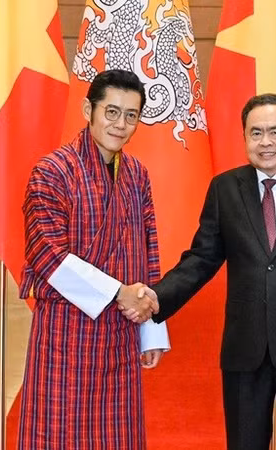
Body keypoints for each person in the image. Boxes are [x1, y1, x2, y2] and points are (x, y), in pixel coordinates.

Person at [141, 94, 276, 449]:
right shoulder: (226, 188)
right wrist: (155, 297)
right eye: (256, 133)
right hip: (245, 349)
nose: (266, 142)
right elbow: (201, 259)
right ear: (244, 138)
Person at [17, 69, 169, 449]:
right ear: (89, 108)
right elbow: (48, 254)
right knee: (59, 435)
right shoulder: (51, 171)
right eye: (112, 111)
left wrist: (151, 327)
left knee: (118, 436)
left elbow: (147, 248)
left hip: (122, 332)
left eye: (131, 115)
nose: (120, 124)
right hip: (67, 334)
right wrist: (119, 293)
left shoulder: (136, 174)